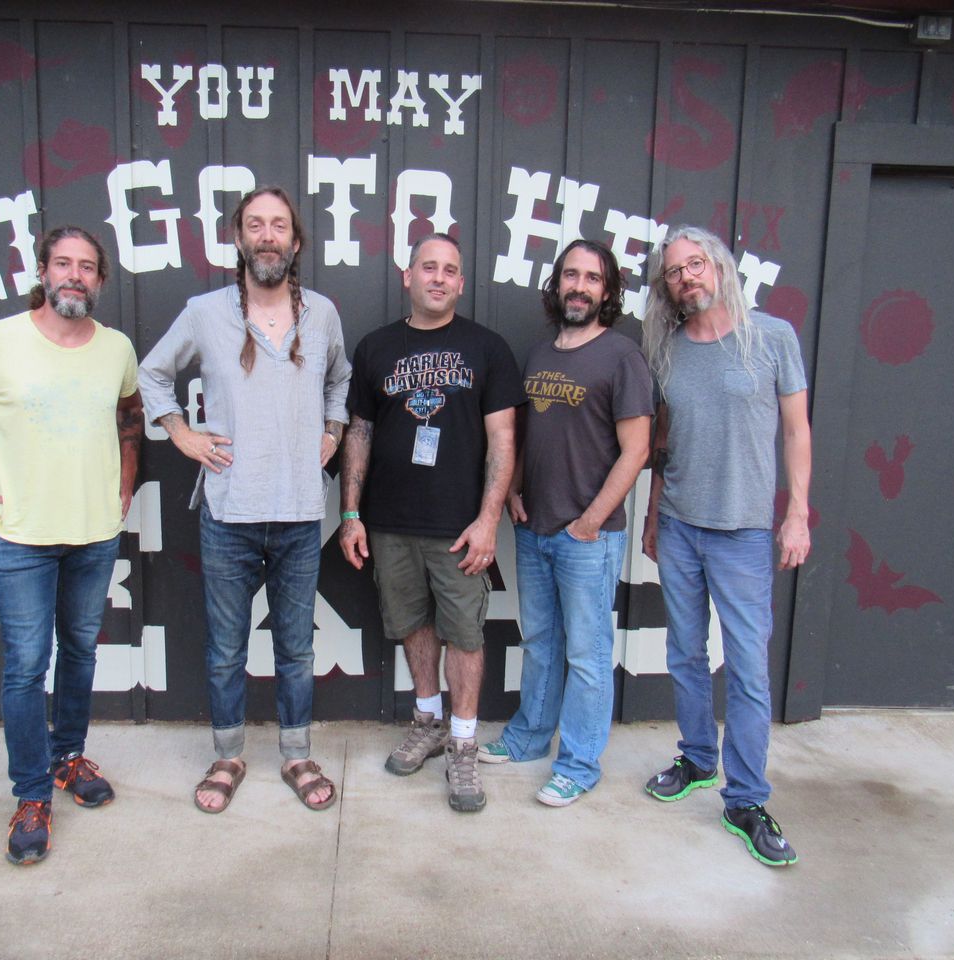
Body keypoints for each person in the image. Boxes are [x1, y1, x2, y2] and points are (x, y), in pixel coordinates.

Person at [0, 226, 142, 865]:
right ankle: (32, 794)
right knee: (24, 667)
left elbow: (130, 415)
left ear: (100, 280)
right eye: (63, 264)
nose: (75, 275)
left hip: (95, 533)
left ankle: (68, 757)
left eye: (87, 267)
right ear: (43, 272)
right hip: (19, 537)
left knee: (80, 650)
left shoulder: (117, 348)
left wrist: (125, 480)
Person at [138, 186, 350, 814]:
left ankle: (297, 755)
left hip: (299, 512)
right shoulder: (205, 312)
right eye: (255, 225)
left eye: (278, 226)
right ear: (238, 238)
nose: (267, 236)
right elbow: (152, 373)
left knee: (296, 648)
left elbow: (340, 378)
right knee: (227, 648)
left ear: (296, 241)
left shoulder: (322, 314)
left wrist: (333, 431)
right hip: (229, 510)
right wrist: (182, 434)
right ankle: (228, 756)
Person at [639, 225, 811, 867]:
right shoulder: (667, 350)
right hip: (680, 525)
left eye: (695, 264)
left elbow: (796, 431)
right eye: (674, 271)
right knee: (685, 653)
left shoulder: (772, 337)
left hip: (743, 531)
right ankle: (697, 759)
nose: (686, 277)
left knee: (746, 669)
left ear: (719, 267)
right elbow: (663, 442)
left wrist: (797, 514)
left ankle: (745, 800)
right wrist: (653, 516)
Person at [340, 233, 524, 813]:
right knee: (413, 625)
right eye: (428, 267)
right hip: (390, 522)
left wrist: (489, 520)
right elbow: (359, 433)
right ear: (408, 275)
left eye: (449, 270)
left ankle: (463, 743)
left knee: (465, 634)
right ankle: (428, 721)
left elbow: (503, 440)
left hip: (459, 526)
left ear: (461, 283)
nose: (438, 278)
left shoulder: (486, 347)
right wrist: (350, 513)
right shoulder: (375, 348)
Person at [478, 240, 652, 806]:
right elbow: (527, 434)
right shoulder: (538, 355)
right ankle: (529, 738)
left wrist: (591, 521)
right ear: (557, 286)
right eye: (570, 276)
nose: (579, 287)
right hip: (535, 529)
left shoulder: (622, 356)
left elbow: (637, 449)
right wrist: (514, 489)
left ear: (608, 291)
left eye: (592, 278)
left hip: (587, 537)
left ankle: (578, 765)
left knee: (587, 656)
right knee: (541, 643)